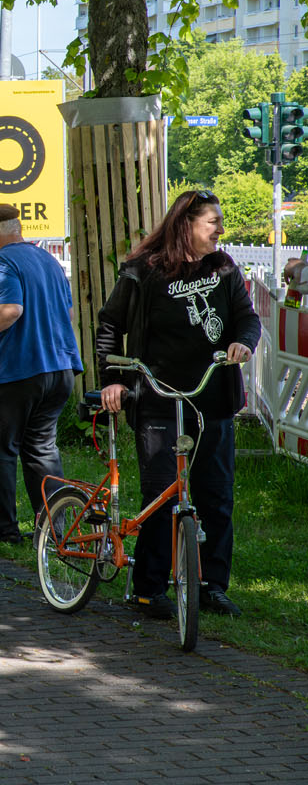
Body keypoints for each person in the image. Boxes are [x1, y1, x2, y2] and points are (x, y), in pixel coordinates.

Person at [96, 188, 260, 619]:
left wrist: (244, 342)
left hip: (213, 400)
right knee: (161, 495)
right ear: (186, 224)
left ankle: (211, 586)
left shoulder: (223, 267)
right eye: (213, 222)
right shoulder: (143, 270)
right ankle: (149, 588)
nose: (220, 230)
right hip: (158, 399)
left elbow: (247, 317)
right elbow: (110, 324)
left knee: (215, 495)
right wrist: (113, 380)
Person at [0, 204, 84, 545]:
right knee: (41, 449)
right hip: (58, 368)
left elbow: (8, 310)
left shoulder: (2, 262)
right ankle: (54, 529)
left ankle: (0, 527)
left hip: (13, 371)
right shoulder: (47, 259)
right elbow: (68, 312)